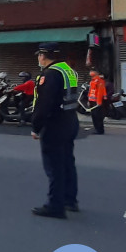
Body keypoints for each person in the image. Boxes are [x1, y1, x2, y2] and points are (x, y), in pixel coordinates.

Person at [29, 42, 80, 220]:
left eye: (39, 55)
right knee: (67, 163)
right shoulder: (69, 70)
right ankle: (70, 200)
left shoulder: (50, 74)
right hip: (70, 121)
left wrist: (36, 127)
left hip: (55, 125)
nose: (38, 58)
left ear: (43, 55)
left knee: (54, 167)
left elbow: (44, 104)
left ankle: (55, 206)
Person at [87, 68, 107, 135]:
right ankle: (96, 129)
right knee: (94, 116)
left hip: (97, 102)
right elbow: (90, 92)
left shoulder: (99, 81)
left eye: (92, 71)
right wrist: (89, 100)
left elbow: (100, 92)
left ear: (96, 72)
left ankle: (100, 130)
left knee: (98, 116)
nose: (91, 72)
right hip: (92, 101)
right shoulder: (92, 81)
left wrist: (99, 102)